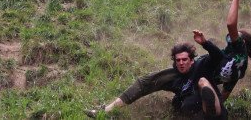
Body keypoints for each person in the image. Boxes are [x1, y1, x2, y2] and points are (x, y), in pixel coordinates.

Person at [85, 41, 226, 118]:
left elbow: (219, 57)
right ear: (175, 61)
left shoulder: (202, 64)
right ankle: (105, 110)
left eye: (185, 59)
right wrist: (109, 109)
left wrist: (205, 43)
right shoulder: (174, 78)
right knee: (182, 105)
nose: (181, 63)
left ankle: (211, 109)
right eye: (178, 60)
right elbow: (145, 84)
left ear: (192, 60)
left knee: (203, 82)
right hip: (196, 115)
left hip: (217, 112)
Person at [194, 0, 251, 101]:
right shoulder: (240, 68)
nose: (231, 36)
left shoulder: (239, 50)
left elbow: (230, 24)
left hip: (196, 73)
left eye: (236, 35)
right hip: (200, 81)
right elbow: (224, 95)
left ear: (242, 42)